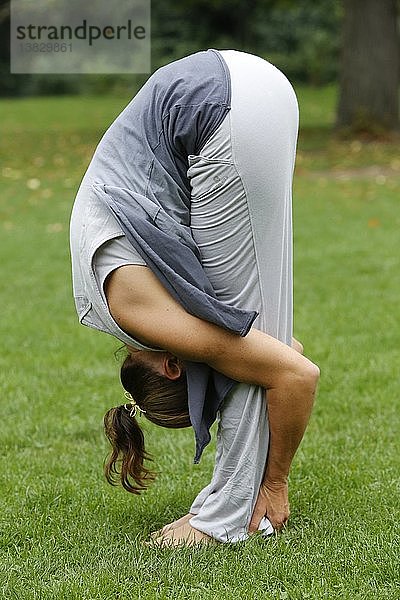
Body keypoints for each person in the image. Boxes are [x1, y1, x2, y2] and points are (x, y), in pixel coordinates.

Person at [70, 49, 319, 546]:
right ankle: (235, 505)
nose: (217, 390)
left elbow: (292, 374)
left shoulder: (136, 310)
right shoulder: (130, 298)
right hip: (256, 84)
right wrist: (252, 359)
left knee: (249, 355)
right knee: (254, 346)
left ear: (172, 367)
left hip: (220, 112)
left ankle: (224, 519)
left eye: (209, 398)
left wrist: (275, 483)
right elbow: (284, 351)